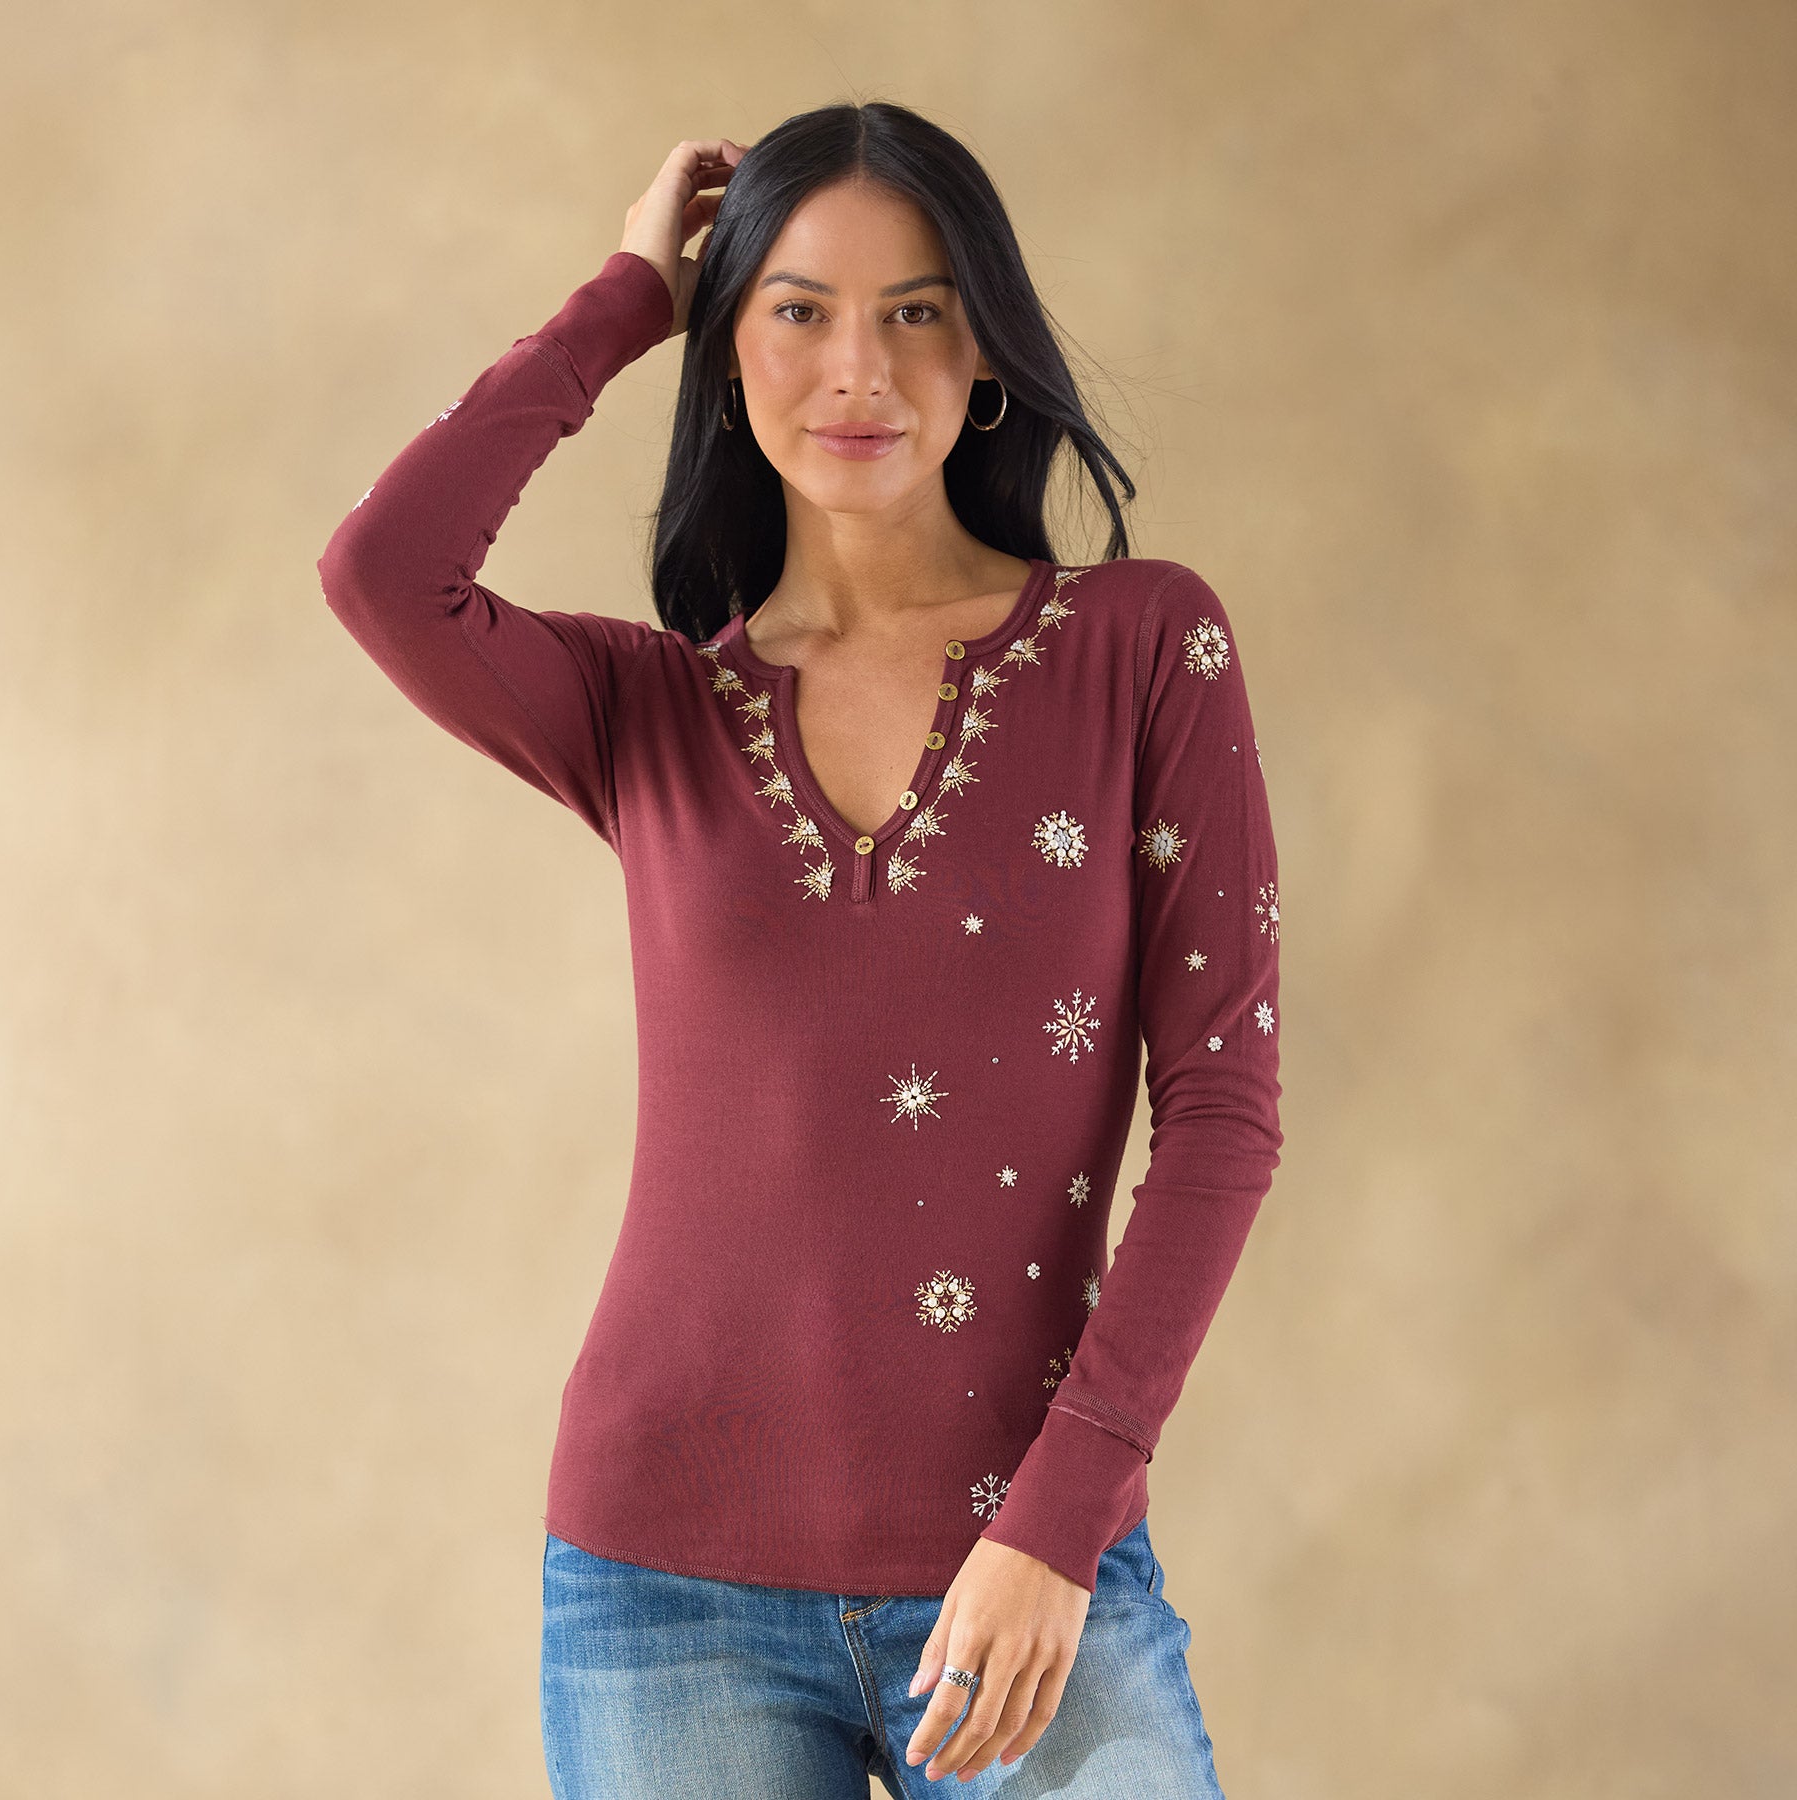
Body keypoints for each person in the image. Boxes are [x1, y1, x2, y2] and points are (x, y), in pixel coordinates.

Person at [318, 100, 1282, 1798]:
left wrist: (1059, 1522)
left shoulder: (1142, 646)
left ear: (985, 350)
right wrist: (625, 300)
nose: (860, 369)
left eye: (916, 311)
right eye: (798, 310)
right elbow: (383, 572)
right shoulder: (648, 710)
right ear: (728, 353)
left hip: (1031, 1560)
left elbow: (1221, 1117)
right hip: (660, 1590)